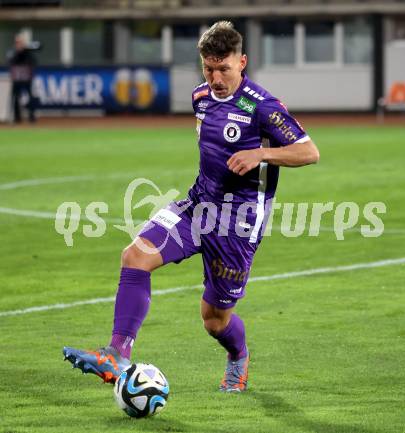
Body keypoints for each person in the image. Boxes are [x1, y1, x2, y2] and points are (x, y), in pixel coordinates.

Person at [63, 21, 319, 392]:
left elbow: (309, 152)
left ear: (242, 62)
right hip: (198, 204)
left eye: (224, 68)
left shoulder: (263, 107)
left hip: (238, 222)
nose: (215, 78)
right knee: (136, 256)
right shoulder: (200, 96)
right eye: (209, 68)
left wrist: (261, 153)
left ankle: (238, 356)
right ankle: (117, 354)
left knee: (214, 320)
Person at [7, 34, 38, 123]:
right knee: (15, 98)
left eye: (21, 42)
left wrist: (24, 51)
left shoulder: (28, 52)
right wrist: (18, 52)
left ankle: (31, 117)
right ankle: (17, 118)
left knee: (31, 97)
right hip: (16, 79)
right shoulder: (12, 52)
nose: (19, 44)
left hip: (27, 79)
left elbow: (33, 62)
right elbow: (10, 62)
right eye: (17, 42)